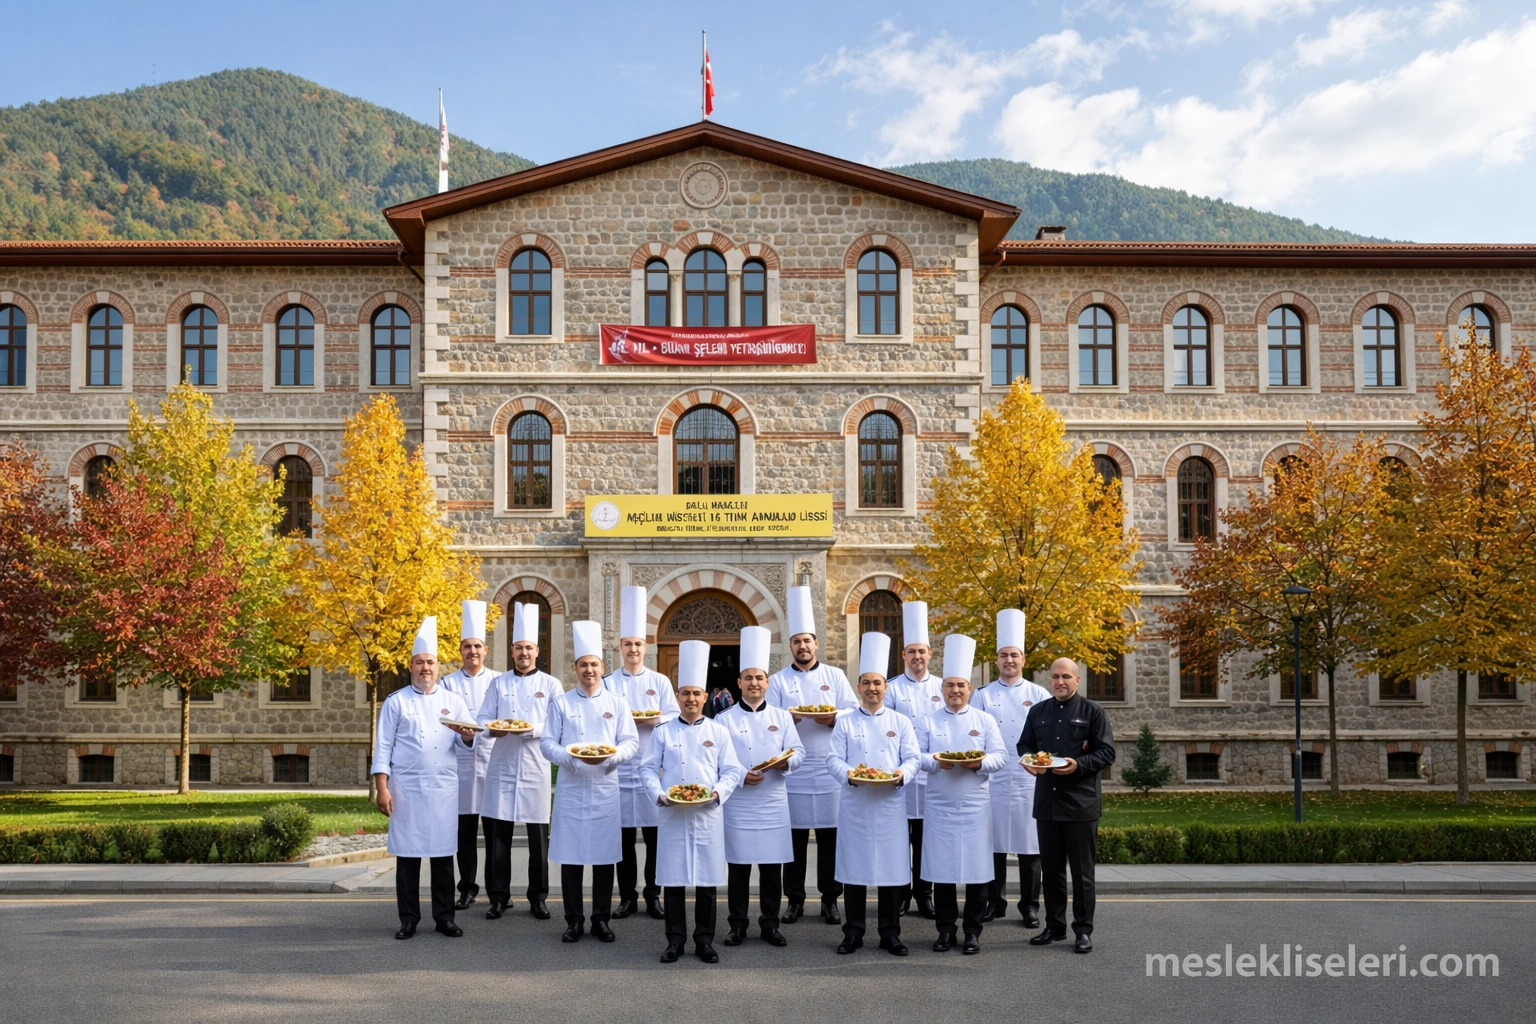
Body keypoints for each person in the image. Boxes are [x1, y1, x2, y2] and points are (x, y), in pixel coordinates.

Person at [371, 616, 478, 939]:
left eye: (430, 662)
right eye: (419, 662)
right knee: (408, 858)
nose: (425, 668)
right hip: (406, 789)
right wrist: (382, 788)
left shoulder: (453, 701)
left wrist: (468, 735)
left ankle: (444, 917)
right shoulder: (396, 702)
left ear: (437, 665)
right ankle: (408, 918)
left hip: (443, 789)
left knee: (444, 856)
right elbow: (383, 746)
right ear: (411, 666)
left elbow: (468, 741)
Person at [641, 640, 745, 963]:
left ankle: (704, 940)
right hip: (673, 812)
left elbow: (731, 770)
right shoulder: (662, 732)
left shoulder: (719, 731)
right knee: (673, 880)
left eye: (696, 693)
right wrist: (660, 794)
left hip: (706, 813)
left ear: (705, 696)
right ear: (677, 697)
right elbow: (646, 768)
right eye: (684, 693)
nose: (690, 699)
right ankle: (675, 940)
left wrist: (717, 794)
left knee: (707, 880)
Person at [540, 620, 640, 943]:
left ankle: (600, 919)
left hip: (605, 788)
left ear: (602, 667)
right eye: (583, 664)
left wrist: (611, 758)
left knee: (603, 857)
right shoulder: (561, 703)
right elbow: (547, 743)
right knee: (570, 857)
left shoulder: (617, 704)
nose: (589, 670)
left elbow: (631, 743)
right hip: (571, 787)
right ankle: (573, 920)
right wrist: (569, 757)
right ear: (575, 668)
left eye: (594, 664)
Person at [766, 585, 857, 925]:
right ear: (789, 646)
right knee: (796, 839)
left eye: (807, 641)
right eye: (796, 642)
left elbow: (851, 712)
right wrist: (787, 718)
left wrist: (833, 717)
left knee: (831, 838)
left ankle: (831, 898)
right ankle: (795, 899)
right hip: (794, 771)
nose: (802, 647)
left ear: (816, 644)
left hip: (830, 770)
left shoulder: (834, 676)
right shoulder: (776, 681)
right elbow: (770, 719)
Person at [828, 632, 920, 956]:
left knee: (892, 872)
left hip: (891, 805)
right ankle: (853, 932)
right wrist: (850, 776)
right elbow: (833, 759)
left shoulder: (900, 721)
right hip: (856, 804)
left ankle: (889, 933)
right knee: (854, 871)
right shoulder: (844, 722)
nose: (871, 688)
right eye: (866, 683)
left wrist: (900, 775)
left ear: (886, 687)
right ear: (858, 687)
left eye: (877, 683)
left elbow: (913, 759)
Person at [916, 635, 1006, 954]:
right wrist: (938, 761)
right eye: (950, 685)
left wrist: (978, 763)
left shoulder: (984, 720)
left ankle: (972, 931)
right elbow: (917, 757)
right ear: (942, 690)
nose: (955, 691)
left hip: (975, 806)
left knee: (978, 872)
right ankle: (944, 930)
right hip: (939, 805)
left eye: (961, 686)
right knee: (942, 872)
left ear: (969, 689)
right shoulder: (928, 721)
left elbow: (1000, 756)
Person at [1021, 657, 1117, 954]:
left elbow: (1107, 753)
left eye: (1065, 676)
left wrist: (1078, 764)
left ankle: (1083, 930)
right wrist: (1029, 762)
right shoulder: (1038, 711)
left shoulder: (1093, 712)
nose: (1059, 682)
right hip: (1048, 802)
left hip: (1080, 805)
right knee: (1051, 871)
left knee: (1082, 873)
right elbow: (1025, 745)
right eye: (1054, 677)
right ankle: (1055, 926)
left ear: (1077, 680)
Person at [718, 625, 804, 947]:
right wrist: (741, 775)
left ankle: (770, 924)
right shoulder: (724, 719)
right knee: (738, 870)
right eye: (748, 678)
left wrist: (786, 763)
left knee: (771, 870)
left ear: (767, 683)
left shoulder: (782, 718)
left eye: (759, 678)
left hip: (772, 803)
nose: (754, 683)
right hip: (739, 804)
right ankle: (737, 925)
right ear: (739, 682)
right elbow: (722, 759)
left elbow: (799, 752)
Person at [476, 602, 561, 921]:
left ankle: (538, 897)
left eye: (528, 647)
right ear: (511, 651)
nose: (523, 653)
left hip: (535, 769)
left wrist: (530, 730)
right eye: (518, 648)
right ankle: (498, 897)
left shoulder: (551, 685)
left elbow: (557, 726)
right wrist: (491, 730)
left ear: (537, 650)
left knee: (539, 840)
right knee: (498, 837)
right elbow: (484, 718)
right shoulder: (498, 684)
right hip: (501, 767)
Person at [971, 608, 1052, 927]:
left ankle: (1030, 906)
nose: (1009, 660)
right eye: (1003, 655)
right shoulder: (982, 696)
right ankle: (996, 902)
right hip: (991, 780)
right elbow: (973, 735)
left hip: (1029, 781)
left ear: (1023, 658)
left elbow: (1048, 740)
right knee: (994, 846)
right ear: (997, 658)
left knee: (1030, 847)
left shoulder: (1039, 694)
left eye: (1014, 655)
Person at [602, 585, 679, 921]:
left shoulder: (660, 681)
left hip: (651, 767)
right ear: (620, 647)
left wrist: (653, 718)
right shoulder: (607, 683)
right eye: (627, 644)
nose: (633, 649)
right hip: (618, 769)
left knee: (653, 837)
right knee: (623, 839)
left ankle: (653, 895)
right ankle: (627, 896)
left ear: (645, 648)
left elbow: (674, 717)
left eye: (638, 644)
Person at [885, 600, 943, 919]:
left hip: (933, 776)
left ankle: (924, 894)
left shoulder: (941, 689)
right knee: (899, 840)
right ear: (904, 655)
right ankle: (901, 894)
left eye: (922, 651)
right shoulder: (892, 689)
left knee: (925, 841)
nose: (917, 657)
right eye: (911, 652)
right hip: (902, 778)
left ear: (929, 654)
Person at [438, 599, 496, 911]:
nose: (472, 652)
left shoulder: (497, 681)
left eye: (477, 646)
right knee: (465, 833)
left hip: (491, 763)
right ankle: (468, 888)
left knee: (495, 833)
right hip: (459, 765)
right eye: (466, 647)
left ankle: (498, 891)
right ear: (460, 650)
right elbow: (444, 720)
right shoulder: (447, 682)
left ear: (485, 650)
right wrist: (463, 736)